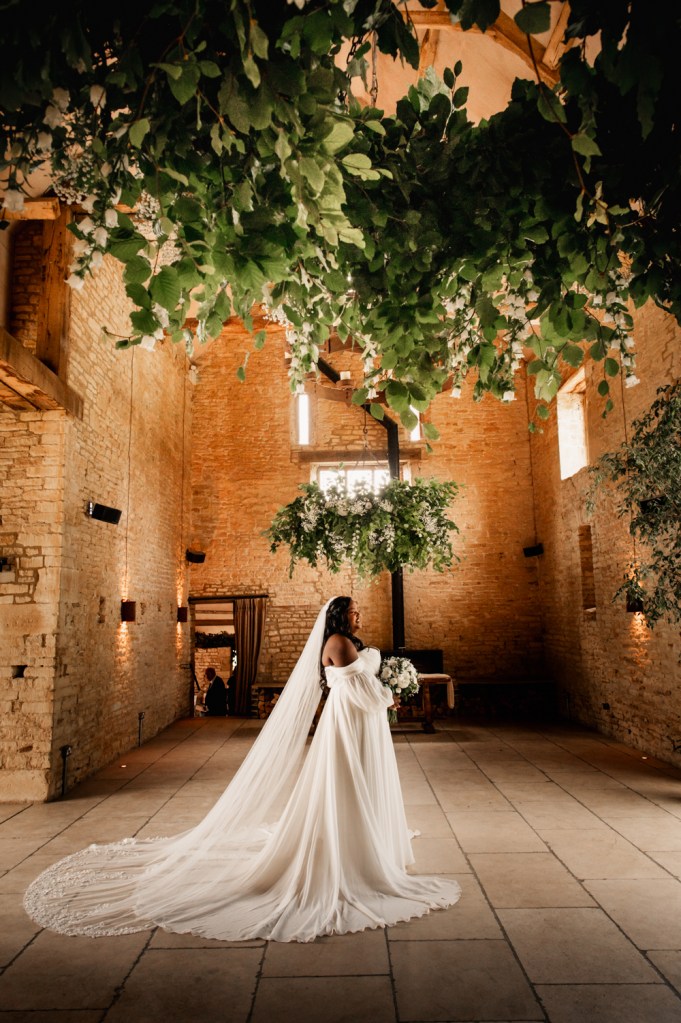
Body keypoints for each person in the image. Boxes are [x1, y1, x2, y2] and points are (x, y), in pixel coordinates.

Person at [23, 596, 461, 942]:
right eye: (354, 611)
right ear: (339, 617)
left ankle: (360, 834)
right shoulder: (340, 644)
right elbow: (364, 692)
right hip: (352, 724)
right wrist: (393, 693)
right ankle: (352, 848)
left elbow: (363, 682)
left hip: (358, 725)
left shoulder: (348, 643)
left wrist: (388, 685)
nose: (359, 616)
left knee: (356, 783)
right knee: (348, 783)